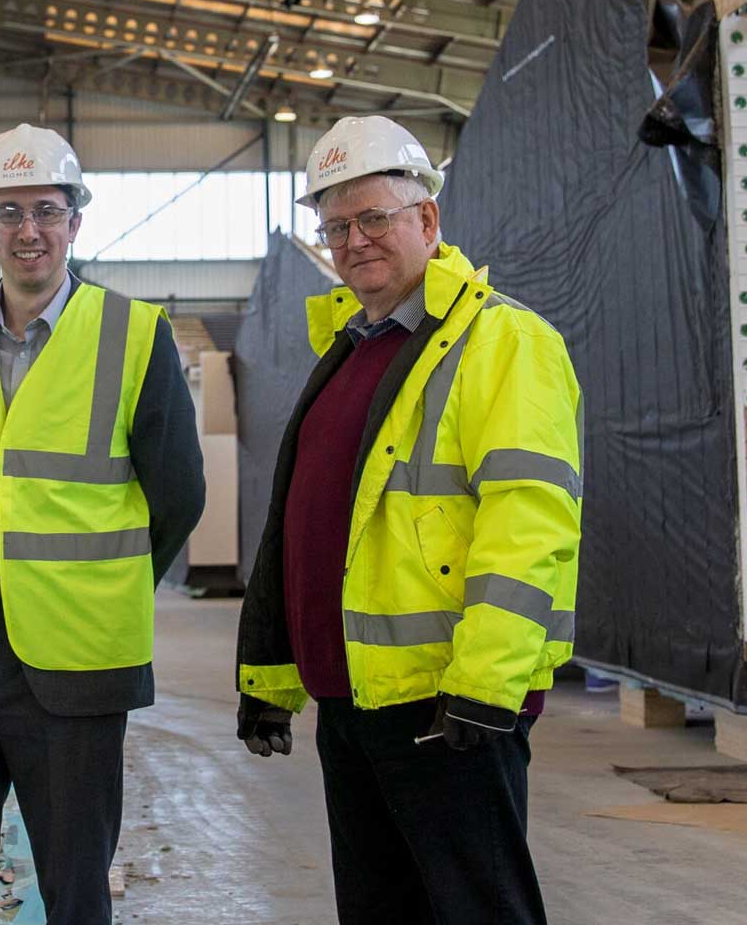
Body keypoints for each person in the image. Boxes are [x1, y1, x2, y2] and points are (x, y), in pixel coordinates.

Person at [234, 115, 582, 924]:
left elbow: (529, 520)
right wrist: (275, 675)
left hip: (446, 707)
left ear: (426, 219)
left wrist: (488, 685)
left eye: (373, 219)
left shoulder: (501, 342)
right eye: (336, 227)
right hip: (353, 701)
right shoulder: (351, 352)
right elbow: (307, 532)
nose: (354, 241)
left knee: (476, 909)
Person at [0, 123, 206, 925]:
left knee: (74, 888)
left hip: (76, 653)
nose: (27, 230)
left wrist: (100, 582)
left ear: (76, 219)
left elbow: (179, 494)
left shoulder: (136, 334)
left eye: (45, 210)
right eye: (7, 212)